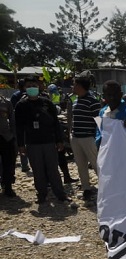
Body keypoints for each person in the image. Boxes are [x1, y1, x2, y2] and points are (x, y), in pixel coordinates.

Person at [14, 76, 70, 204]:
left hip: (49, 141)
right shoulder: (21, 105)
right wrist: (20, 145)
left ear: (38, 86)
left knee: (53, 169)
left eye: (34, 85)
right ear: (24, 88)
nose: (31, 88)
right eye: (28, 86)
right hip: (32, 143)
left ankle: (60, 194)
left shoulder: (47, 103)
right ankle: (42, 194)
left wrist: (59, 140)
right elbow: (19, 127)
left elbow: (55, 123)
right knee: (37, 170)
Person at [70, 71, 102, 201]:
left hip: (88, 138)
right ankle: (86, 188)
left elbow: (99, 121)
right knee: (81, 165)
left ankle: (106, 187)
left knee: (96, 164)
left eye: (74, 84)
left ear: (80, 86)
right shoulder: (75, 100)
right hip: (76, 138)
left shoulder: (92, 101)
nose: (72, 87)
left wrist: (99, 138)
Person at [10, 79, 30, 173]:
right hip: (28, 123)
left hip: (19, 123)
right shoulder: (28, 95)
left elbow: (12, 110)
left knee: (21, 143)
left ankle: (24, 164)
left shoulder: (15, 95)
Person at [0, 94, 17, 197]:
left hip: (6, 137)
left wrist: (14, 137)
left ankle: (8, 186)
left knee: (9, 163)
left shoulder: (5, 102)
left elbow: (12, 121)